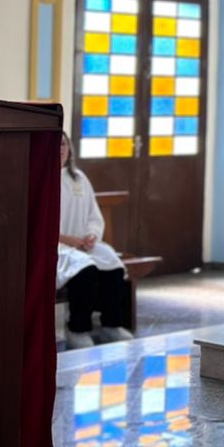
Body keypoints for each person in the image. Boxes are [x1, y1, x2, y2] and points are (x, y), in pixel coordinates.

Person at [58, 133, 133, 347]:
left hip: (82, 243)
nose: (60, 149)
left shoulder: (78, 178)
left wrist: (91, 235)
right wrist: (68, 240)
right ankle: (77, 329)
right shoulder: (41, 178)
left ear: (69, 148)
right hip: (56, 247)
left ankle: (111, 325)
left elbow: (93, 215)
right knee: (85, 268)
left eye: (63, 144)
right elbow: (37, 224)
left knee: (112, 263)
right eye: (54, 145)